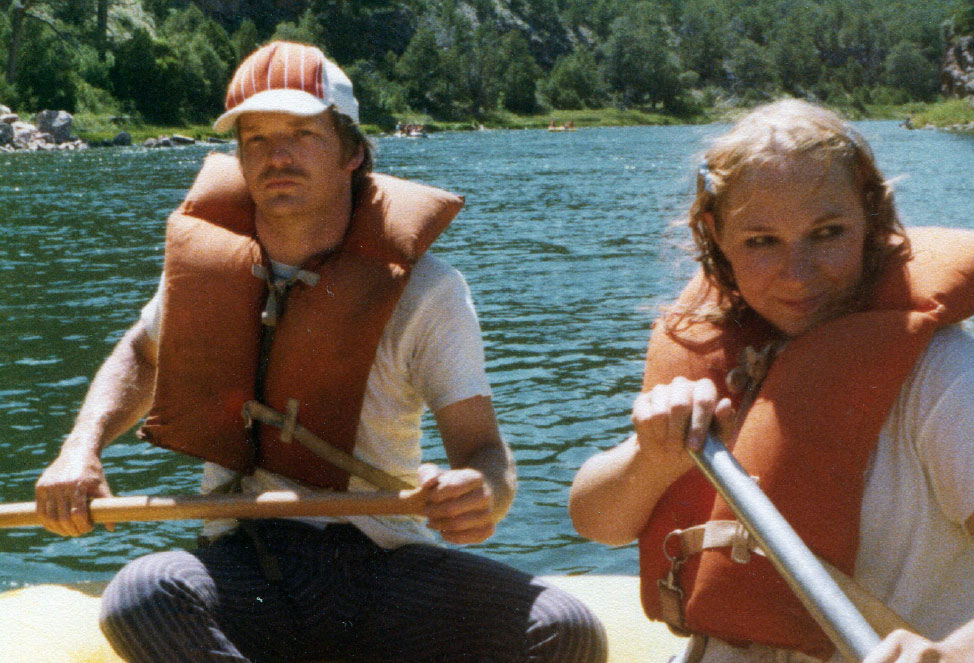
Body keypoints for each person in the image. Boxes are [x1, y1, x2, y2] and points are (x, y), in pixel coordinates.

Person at [35, 41, 606, 663]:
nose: (277, 155)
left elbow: (486, 454)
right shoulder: (210, 273)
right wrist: (80, 449)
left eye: (302, 134)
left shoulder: (428, 290)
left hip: (384, 566)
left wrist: (483, 493)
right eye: (255, 139)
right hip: (246, 561)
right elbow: (142, 357)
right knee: (142, 595)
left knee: (564, 626)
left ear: (352, 152)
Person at [569, 99, 974, 663]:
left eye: (827, 233)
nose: (798, 274)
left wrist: (960, 655)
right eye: (761, 241)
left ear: (872, 220)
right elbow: (594, 521)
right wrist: (652, 458)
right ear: (715, 235)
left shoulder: (942, 373)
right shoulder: (719, 359)